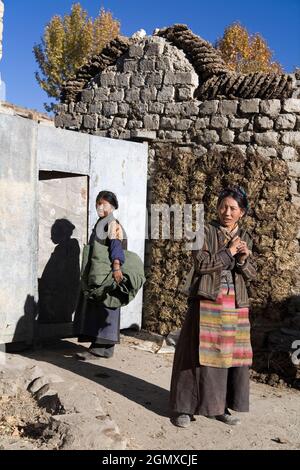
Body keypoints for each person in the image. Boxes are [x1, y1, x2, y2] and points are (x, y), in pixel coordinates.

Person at [170, 186, 256, 427]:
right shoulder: (203, 231)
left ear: (242, 213)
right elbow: (202, 265)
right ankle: (183, 409)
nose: (226, 212)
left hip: (235, 304)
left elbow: (252, 274)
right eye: (223, 206)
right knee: (194, 355)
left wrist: (242, 260)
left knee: (228, 357)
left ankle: (220, 407)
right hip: (207, 300)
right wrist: (229, 252)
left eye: (233, 208)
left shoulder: (246, 237)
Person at [76, 190, 127, 360]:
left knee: (106, 307)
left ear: (111, 206)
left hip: (107, 272)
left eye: (103, 203)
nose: (99, 206)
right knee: (99, 306)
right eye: (98, 202)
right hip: (99, 272)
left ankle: (100, 348)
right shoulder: (101, 222)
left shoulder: (112, 224)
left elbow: (116, 246)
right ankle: (104, 348)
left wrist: (116, 266)